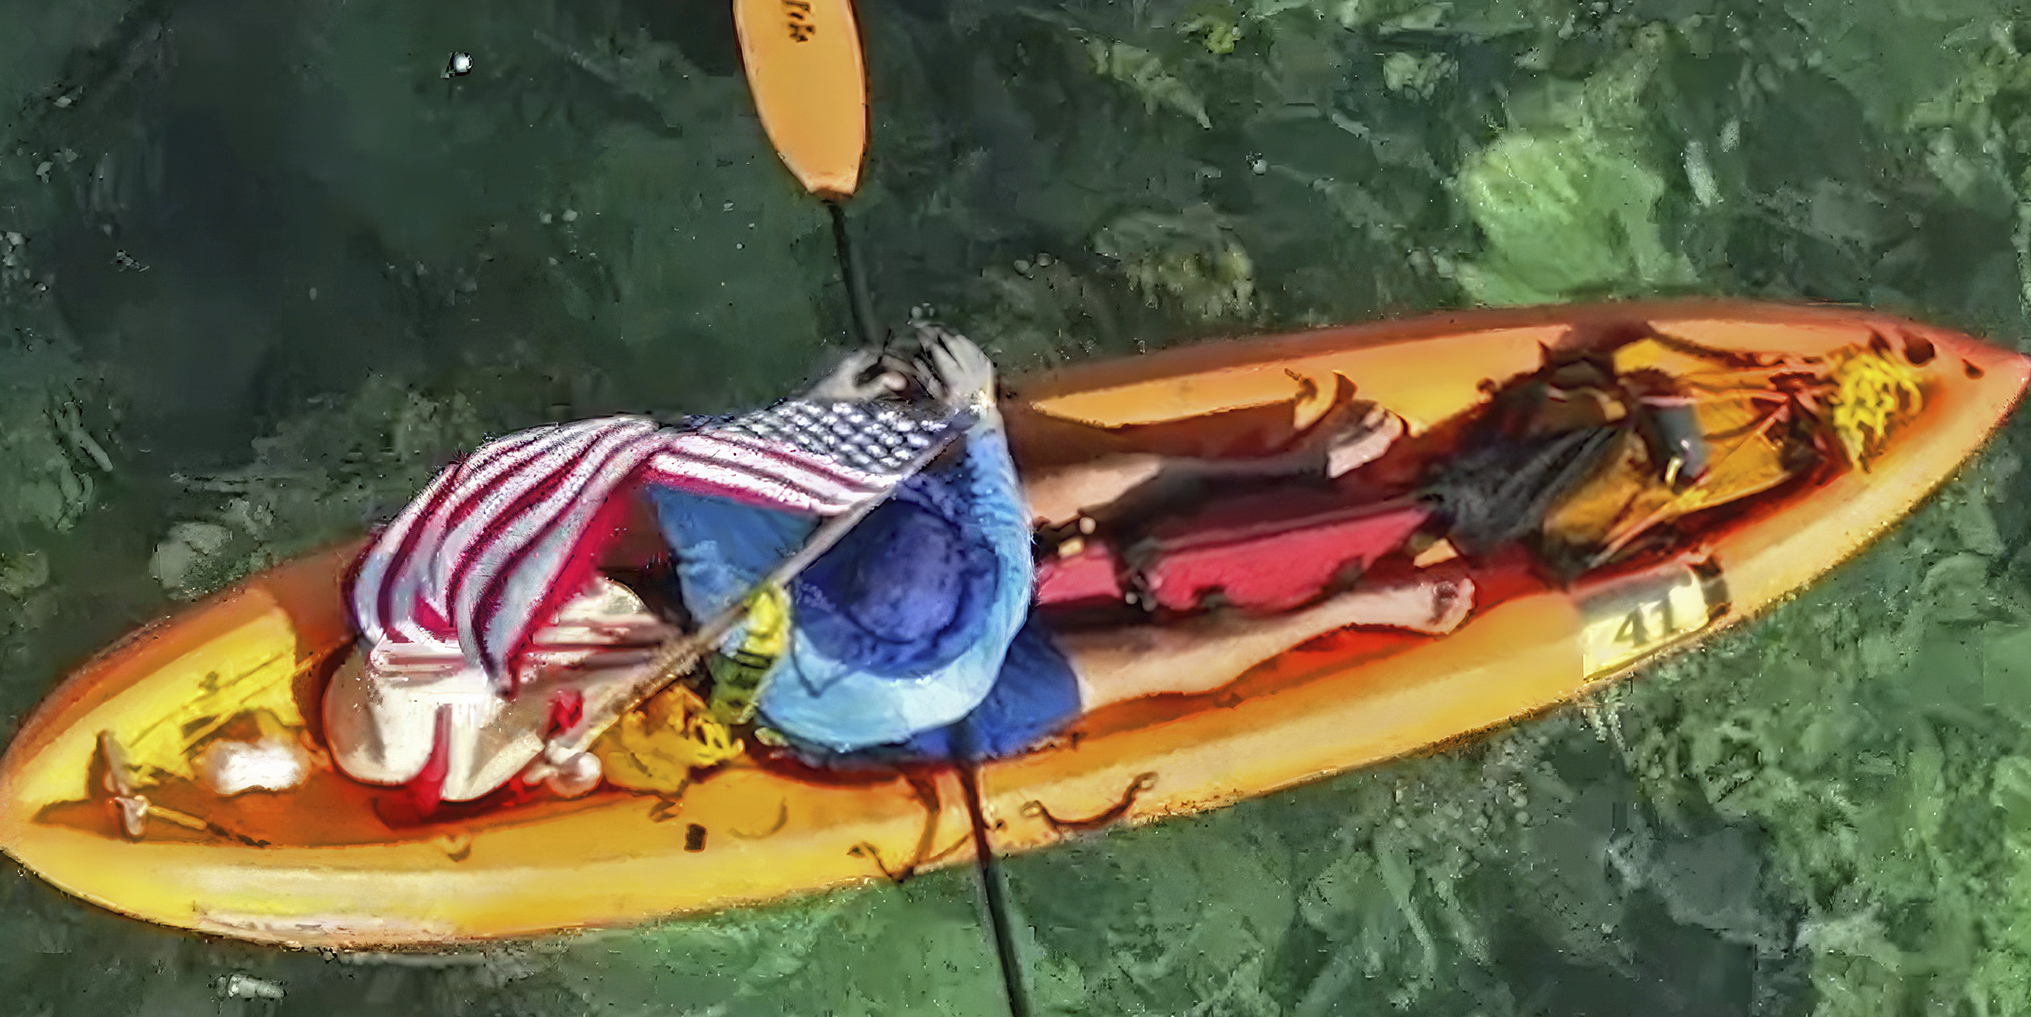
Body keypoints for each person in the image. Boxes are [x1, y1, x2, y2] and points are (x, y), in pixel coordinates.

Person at [320, 332, 1473, 812]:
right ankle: (1359, 597)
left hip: (847, 634)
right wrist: (961, 393)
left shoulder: (734, 553)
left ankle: (1289, 471)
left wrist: (839, 398)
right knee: (1138, 657)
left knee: (1074, 514)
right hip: (912, 716)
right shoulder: (953, 644)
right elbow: (980, 451)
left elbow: (700, 455)